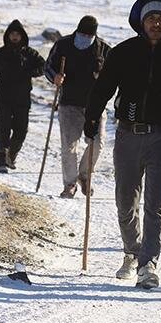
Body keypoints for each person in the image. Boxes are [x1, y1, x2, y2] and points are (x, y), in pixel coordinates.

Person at [84, 0, 161, 289]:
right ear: (140, 21)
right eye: (151, 18)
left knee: (156, 205)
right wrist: (91, 117)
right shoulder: (123, 52)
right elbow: (103, 88)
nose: (156, 24)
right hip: (127, 134)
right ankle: (132, 252)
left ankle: (148, 264)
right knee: (126, 202)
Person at [44, 16, 111, 198]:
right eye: (82, 33)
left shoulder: (103, 49)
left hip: (95, 106)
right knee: (69, 146)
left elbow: (113, 75)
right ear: (77, 30)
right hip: (69, 104)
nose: (85, 37)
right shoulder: (63, 44)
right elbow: (48, 66)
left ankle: (84, 174)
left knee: (97, 143)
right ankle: (70, 183)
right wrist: (54, 77)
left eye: (89, 34)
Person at [0, 20, 46, 174]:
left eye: (18, 34)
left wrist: (31, 72)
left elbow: (43, 67)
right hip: (3, 97)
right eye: (12, 34)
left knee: (21, 130)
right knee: (3, 129)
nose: (15, 37)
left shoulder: (30, 53)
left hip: (22, 98)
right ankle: (1, 161)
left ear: (22, 36)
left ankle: (11, 155)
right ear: (8, 35)